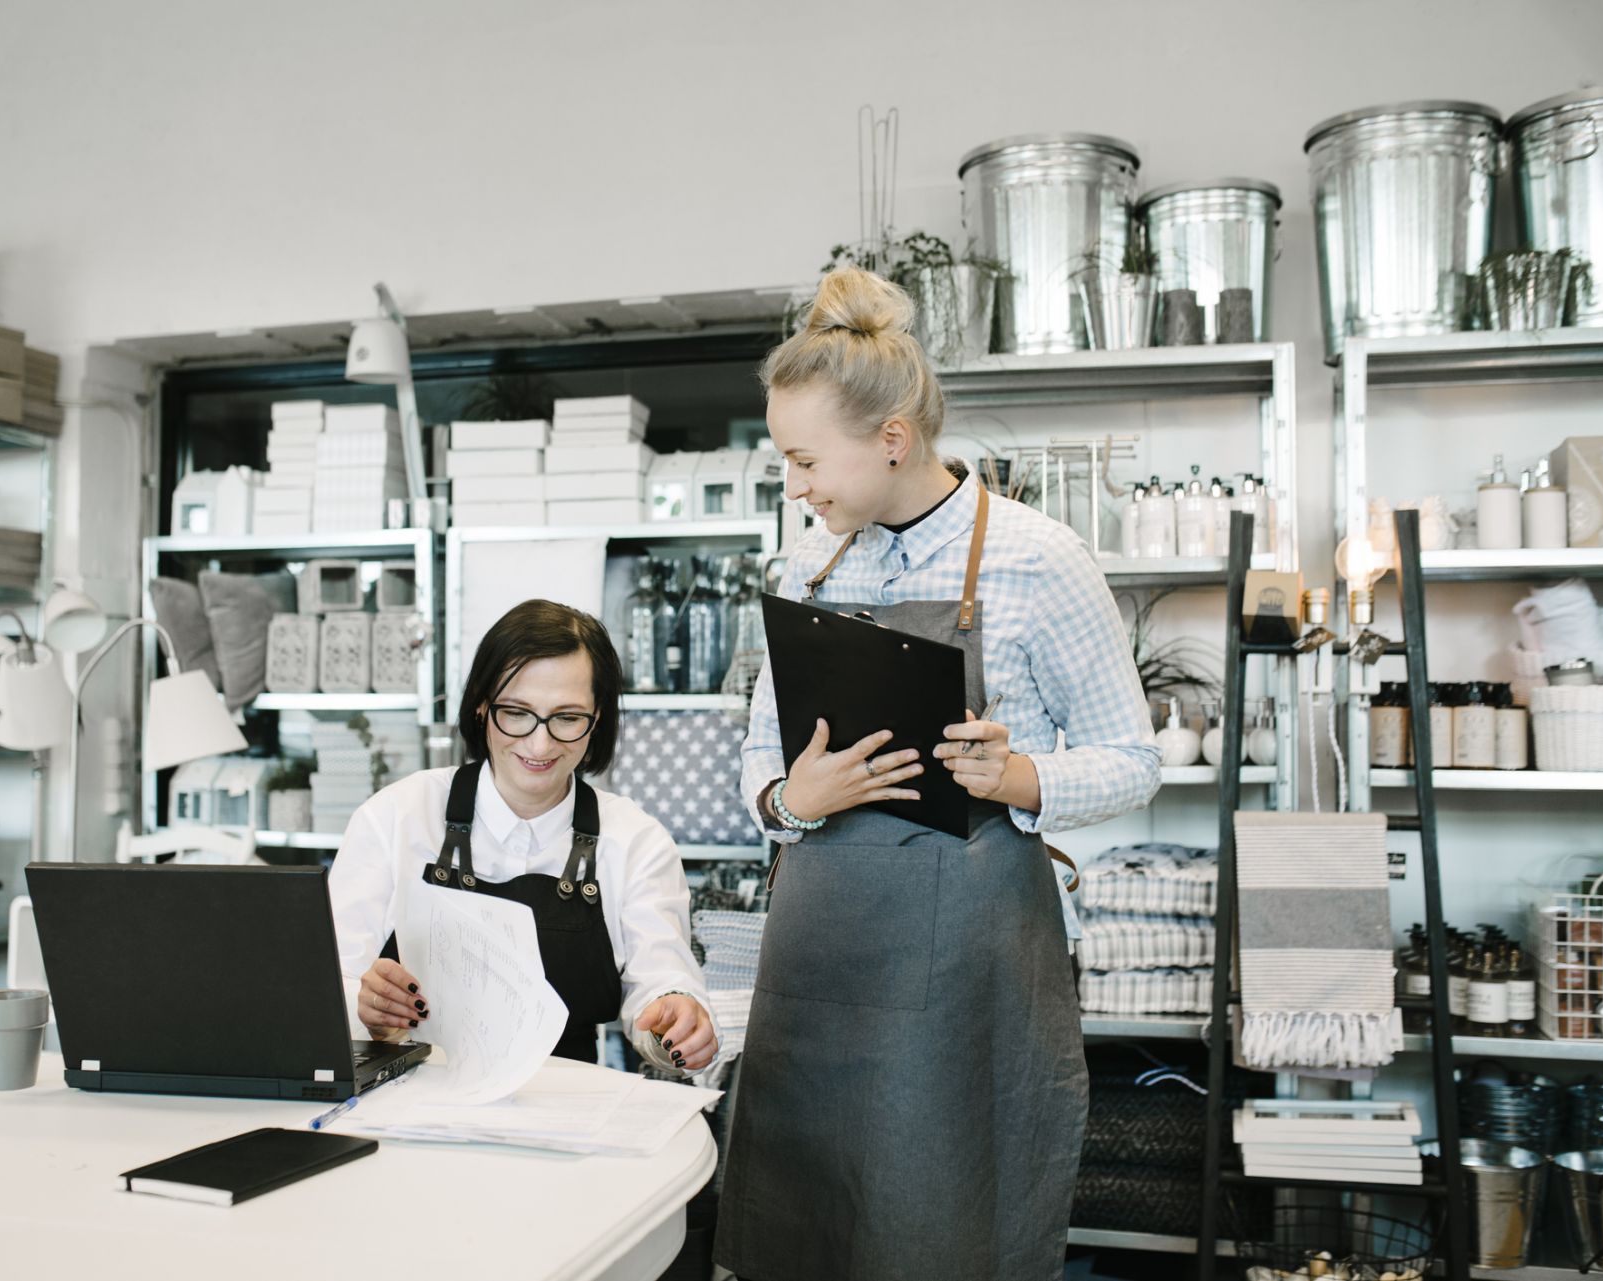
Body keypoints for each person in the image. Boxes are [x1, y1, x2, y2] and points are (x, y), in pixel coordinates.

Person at [714, 267, 1161, 1281]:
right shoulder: (809, 565)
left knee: (954, 1212)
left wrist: (1020, 777)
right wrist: (792, 800)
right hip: (823, 945)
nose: (797, 489)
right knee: (808, 1208)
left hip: (972, 954)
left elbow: (1133, 761)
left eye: (803, 461)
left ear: (892, 440)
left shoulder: (1039, 561)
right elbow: (759, 755)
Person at [328, 598, 718, 1074]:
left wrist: (675, 1021)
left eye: (568, 718)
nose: (540, 744)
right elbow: (328, 985)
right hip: (407, 1092)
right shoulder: (394, 817)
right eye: (516, 713)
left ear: (598, 721)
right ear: (480, 708)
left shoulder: (637, 841)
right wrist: (366, 1006)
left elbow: (661, 980)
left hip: (568, 1105)